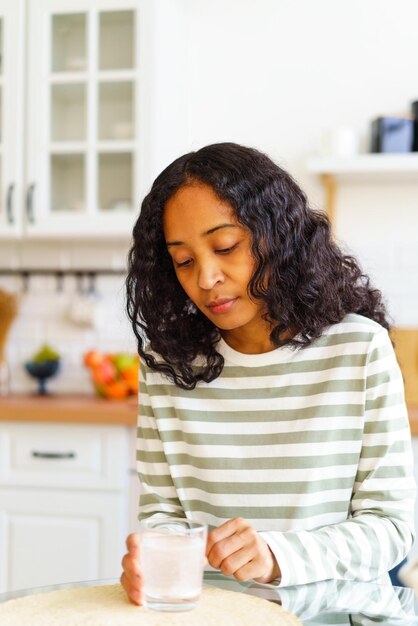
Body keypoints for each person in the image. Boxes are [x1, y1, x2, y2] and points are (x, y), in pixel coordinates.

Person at [121, 142, 416, 605]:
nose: (206, 278)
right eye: (184, 260)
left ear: (277, 236)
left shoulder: (357, 349)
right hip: (211, 616)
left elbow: (392, 529)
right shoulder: (168, 364)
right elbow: (163, 515)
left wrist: (277, 556)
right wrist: (157, 562)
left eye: (225, 246)